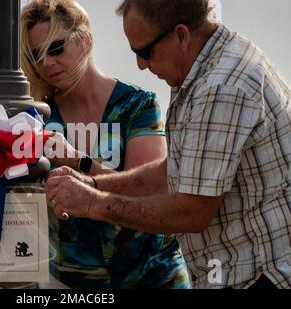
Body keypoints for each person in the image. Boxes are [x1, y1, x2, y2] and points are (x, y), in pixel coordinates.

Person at [46, 0, 291, 289]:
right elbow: (173, 172)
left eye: (145, 52)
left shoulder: (222, 87)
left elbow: (191, 210)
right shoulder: (199, 69)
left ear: (181, 35)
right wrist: (94, 183)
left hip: (262, 278)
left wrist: (90, 202)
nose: (140, 64)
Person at [21, 0, 190, 289]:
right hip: (71, 285)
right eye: (37, 54)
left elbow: (152, 193)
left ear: (85, 40)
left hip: (152, 277)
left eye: (56, 48)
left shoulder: (136, 105)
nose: (47, 62)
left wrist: (77, 161)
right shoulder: (37, 119)